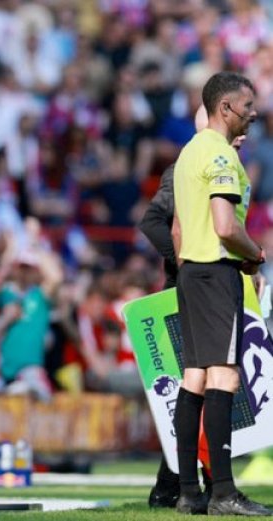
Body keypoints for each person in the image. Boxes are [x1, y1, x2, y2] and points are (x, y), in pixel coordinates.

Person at [139, 104, 251, 509]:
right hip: (201, 280)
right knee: (211, 380)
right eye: (242, 116)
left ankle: (181, 487)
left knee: (194, 382)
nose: (245, 128)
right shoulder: (198, 162)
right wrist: (187, 260)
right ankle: (206, 487)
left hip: (195, 279)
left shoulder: (204, 160)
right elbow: (156, 222)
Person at [172, 71, 271, 516]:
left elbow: (178, 228)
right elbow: (226, 226)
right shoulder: (221, 156)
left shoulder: (190, 152)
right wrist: (256, 256)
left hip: (192, 272)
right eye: (248, 106)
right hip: (216, 271)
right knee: (224, 377)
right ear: (226, 108)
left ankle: (188, 492)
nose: (254, 113)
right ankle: (224, 493)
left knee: (194, 376)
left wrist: (190, 268)